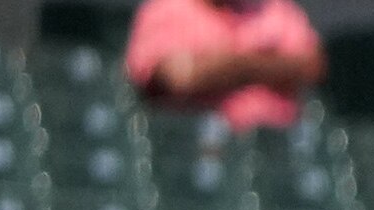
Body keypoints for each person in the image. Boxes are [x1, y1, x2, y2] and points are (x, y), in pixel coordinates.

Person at [126, 0, 324, 127]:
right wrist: (264, 63)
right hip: (196, 144)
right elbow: (180, 78)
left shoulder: (273, 8)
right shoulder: (167, 8)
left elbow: (310, 66)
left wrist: (228, 66)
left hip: (273, 145)